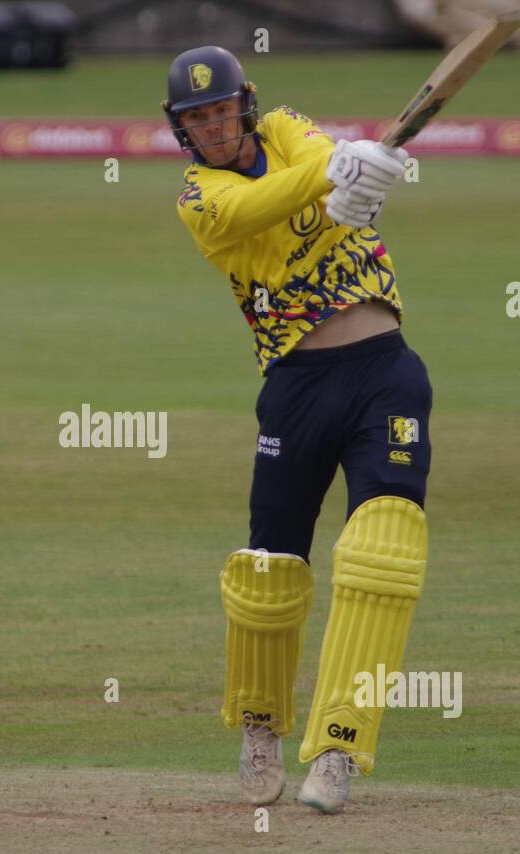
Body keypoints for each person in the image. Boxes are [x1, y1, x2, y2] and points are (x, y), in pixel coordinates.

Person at [164, 46, 433, 814]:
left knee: (384, 551)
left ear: (244, 105)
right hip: (296, 388)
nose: (214, 129)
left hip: (386, 372)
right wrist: (341, 174)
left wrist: (351, 171)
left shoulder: (288, 129)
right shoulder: (199, 199)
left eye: (221, 112)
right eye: (197, 120)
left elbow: (317, 156)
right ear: (181, 132)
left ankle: (342, 747)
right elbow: (264, 206)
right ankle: (259, 726)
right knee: (268, 571)